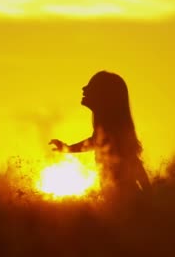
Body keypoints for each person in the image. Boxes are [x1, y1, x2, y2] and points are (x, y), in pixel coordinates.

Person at [50, 71, 151, 202]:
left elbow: (134, 164)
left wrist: (150, 197)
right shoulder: (106, 131)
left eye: (91, 86)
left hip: (128, 204)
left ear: (104, 96)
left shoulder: (114, 132)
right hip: (120, 203)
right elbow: (94, 142)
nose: (84, 88)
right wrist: (67, 148)